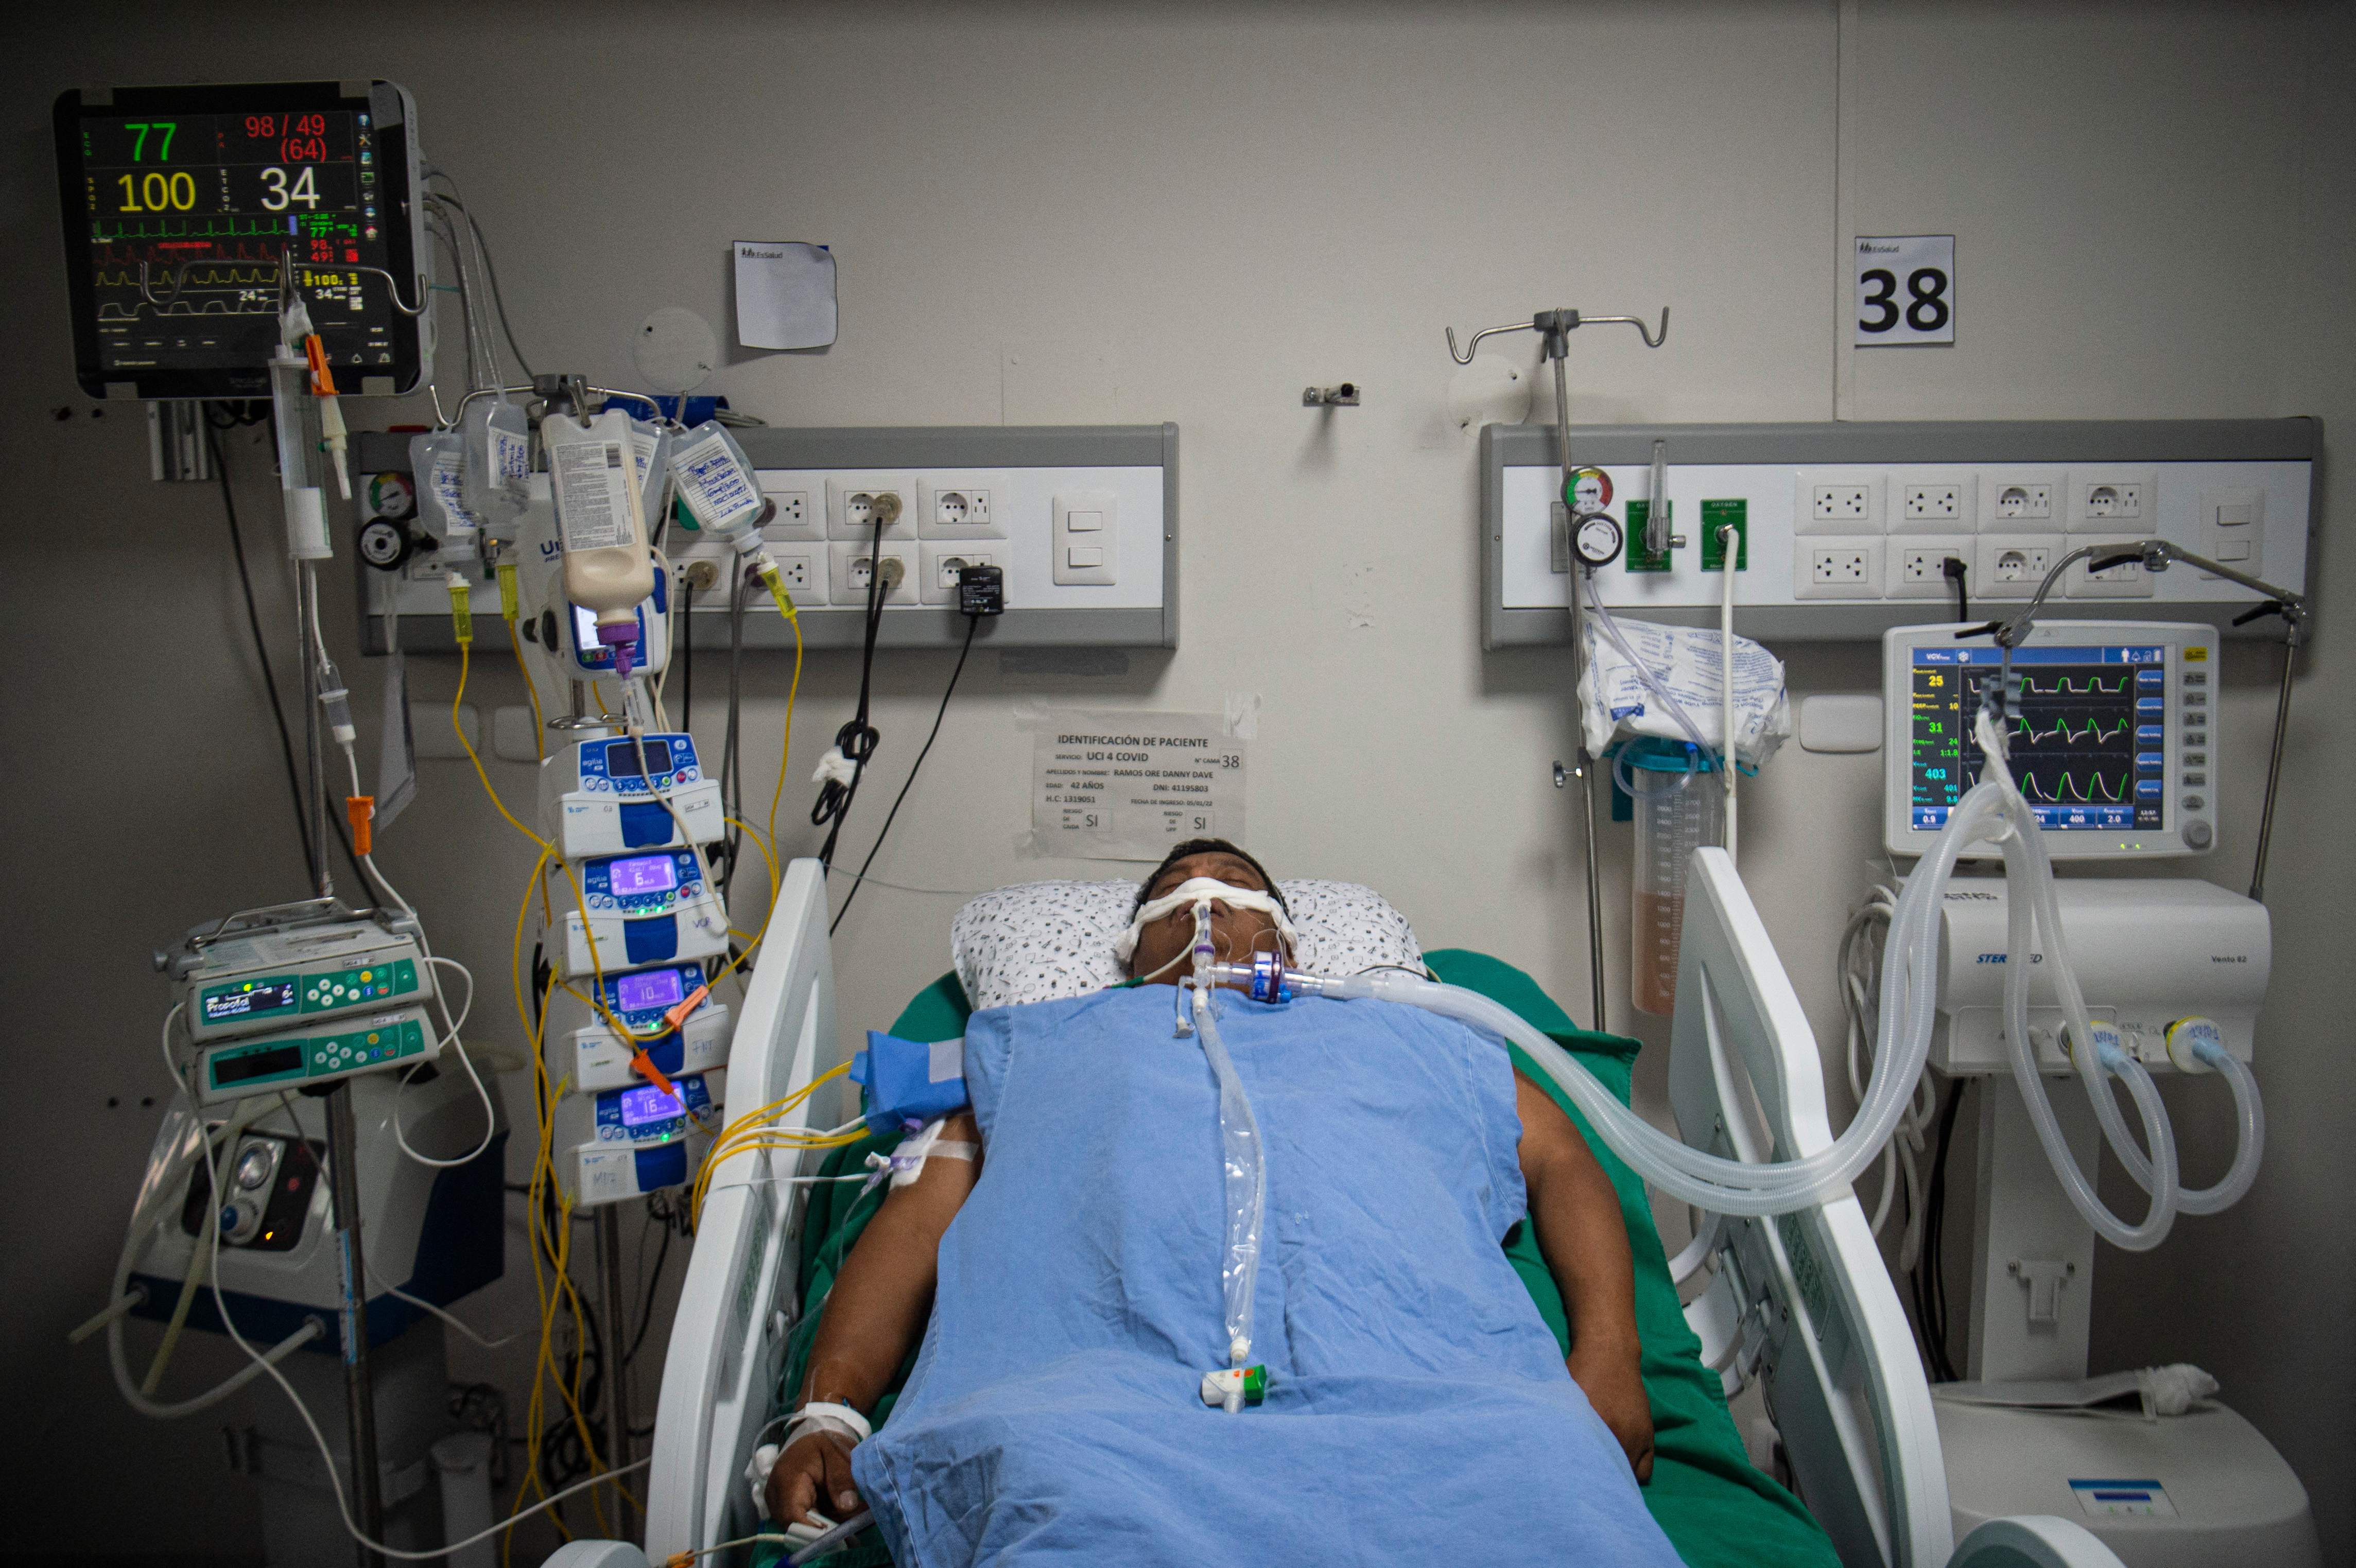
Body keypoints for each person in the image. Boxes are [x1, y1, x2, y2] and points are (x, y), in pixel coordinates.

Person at [765, 840, 1675, 1566]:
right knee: (1043, 1489)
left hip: (1453, 1410)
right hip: (1092, 1425)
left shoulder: (1411, 1033)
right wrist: (831, 1413)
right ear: (1133, 945)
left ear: (1288, 936)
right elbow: (918, 1222)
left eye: (1236, 881)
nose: (1205, 896)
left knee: (1554, 1482)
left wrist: (1609, 1354)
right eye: (1175, 886)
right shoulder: (1037, 1049)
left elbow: (1562, 1157)